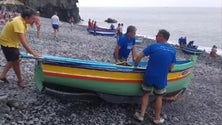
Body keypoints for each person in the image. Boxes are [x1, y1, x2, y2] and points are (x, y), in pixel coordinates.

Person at [133, 29, 176, 124]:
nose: (156, 37)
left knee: (146, 94)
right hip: (161, 78)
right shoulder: (172, 50)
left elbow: (139, 56)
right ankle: (157, 118)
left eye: (157, 35)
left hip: (149, 75)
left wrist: (135, 66)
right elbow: (171, 66)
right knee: (159, 97)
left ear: (161, 36)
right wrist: (166, 71)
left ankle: (141, 115)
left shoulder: (153, 46)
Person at [0, 9, 41, 88]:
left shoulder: (25, 22)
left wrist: (28, 50)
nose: (34, 20)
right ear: (26, 17)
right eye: (32, 18)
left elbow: (24, 36)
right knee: (16, 61)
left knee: (13, 59)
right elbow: (23, 41)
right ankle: (20, 81)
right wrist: (32, 52)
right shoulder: (18, 22)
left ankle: (2, 75)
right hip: (7, 43)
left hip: (13, 42)